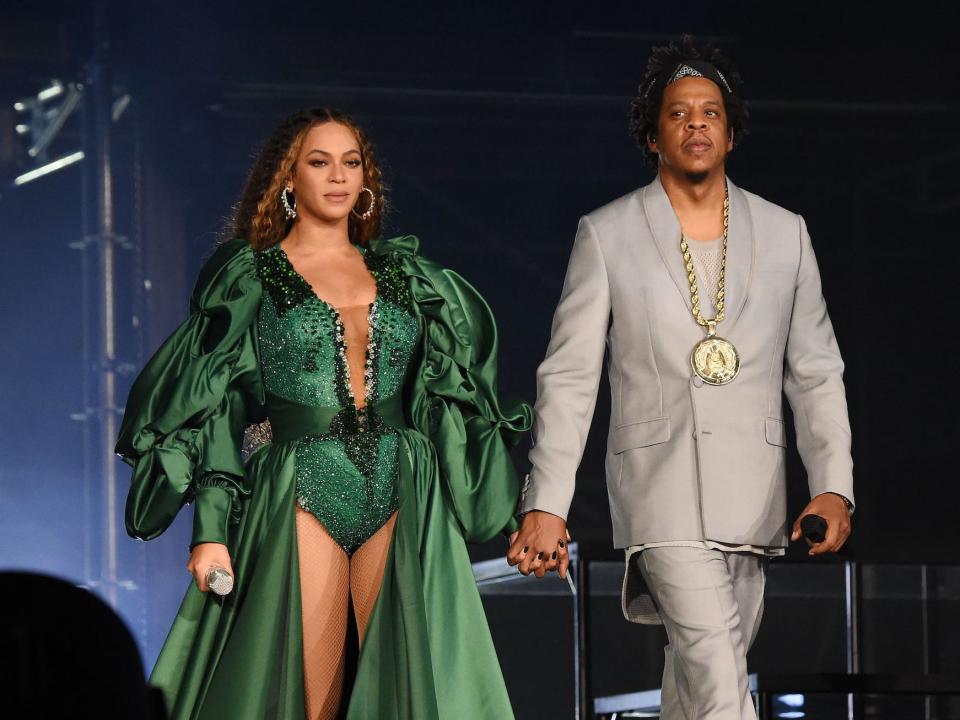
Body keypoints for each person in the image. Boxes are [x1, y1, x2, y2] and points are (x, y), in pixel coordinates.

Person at [116, 107, 531, 720]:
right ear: (288, 179)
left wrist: (509, 506)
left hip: (402, 483)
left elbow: (455, 397)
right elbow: (214, 406)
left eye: (351, 162)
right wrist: (210, 530)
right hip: (299, 487)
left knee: (402, 687)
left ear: (367, 179)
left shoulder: (409, 276)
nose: (338, 176)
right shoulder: (251, 277)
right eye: (319, 161)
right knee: (309, 696)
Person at [507, 36, 854, 719]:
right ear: (652, 135)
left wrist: (834, 487)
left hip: (755, 495)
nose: (697, 123)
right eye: (678, 113)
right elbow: (570, 375)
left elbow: (815, 372)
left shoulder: (786, 234)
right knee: (719, 673)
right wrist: (546, 500)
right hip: (658, 489)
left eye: (711, 112)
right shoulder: (607, 233)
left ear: (730, 131)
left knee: (698, 677)